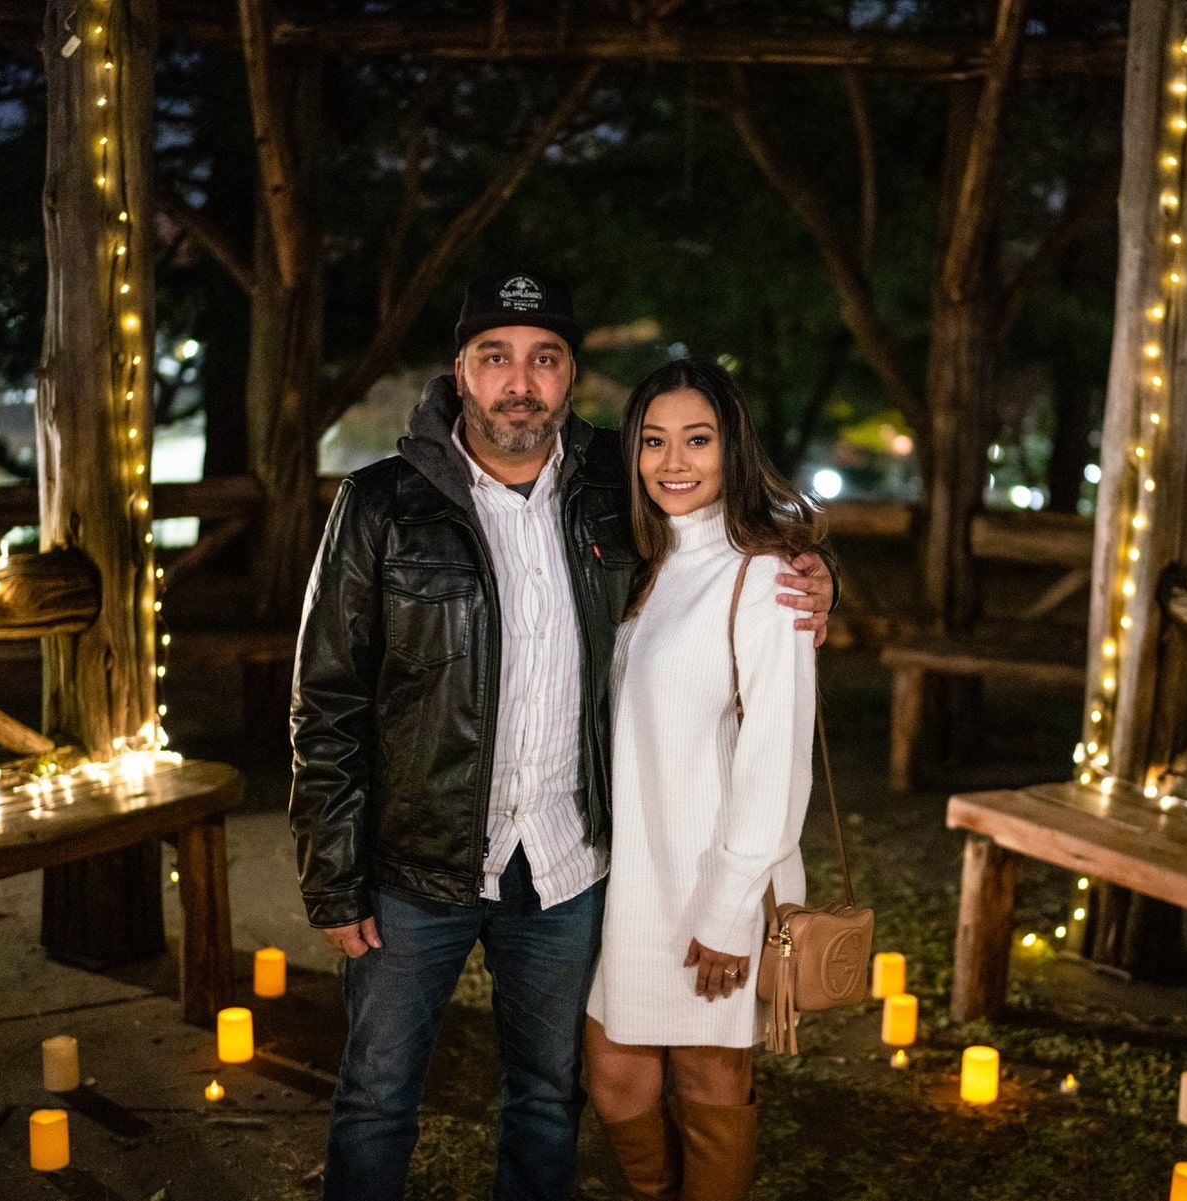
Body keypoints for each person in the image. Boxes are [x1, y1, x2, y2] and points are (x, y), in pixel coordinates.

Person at [288, 271, 833, 1201]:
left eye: (544, 359)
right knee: (377, 1098)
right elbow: (326, 698)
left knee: (547, 1097)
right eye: (495, 357)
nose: (519, 381)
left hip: (568, 865)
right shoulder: (379, 504)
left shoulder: (605, 493)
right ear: (460, 373)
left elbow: (725, 520)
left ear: (570, 377)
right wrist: (331, 871)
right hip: (415, 864)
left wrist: (816, 577)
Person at [584, 359, 821, 1201]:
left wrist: (727, 913)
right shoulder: (641, 566)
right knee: (615, 1072)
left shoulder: (762, 577)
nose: (673, 461)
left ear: (733, 450)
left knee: (710, 1077)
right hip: (632, 879)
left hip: (712, 880)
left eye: (698, 439)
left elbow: (777, 756)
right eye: (654, 440)